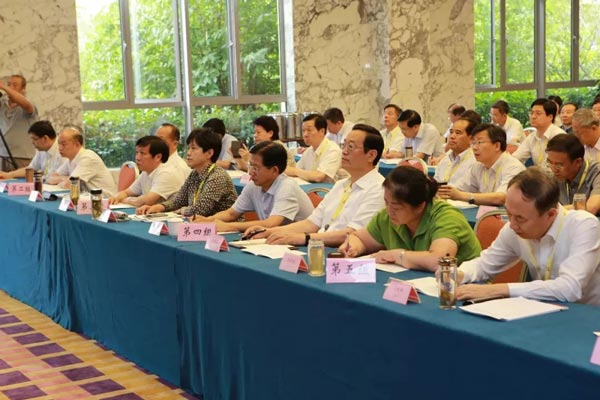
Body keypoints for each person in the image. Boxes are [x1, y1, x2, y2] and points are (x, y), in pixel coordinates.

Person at [456, 167, 600, 306]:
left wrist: (499, 289)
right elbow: (484, 264)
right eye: (509, 213)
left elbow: (570, 288)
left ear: (550, 214)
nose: (512, 225)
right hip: (544, 310)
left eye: (520, 218)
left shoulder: (584, 225)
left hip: (588, 314)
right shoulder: (513, 228)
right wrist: (459, 274)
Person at [247, 124, 385, 247]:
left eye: (351, 147)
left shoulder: (379, 189)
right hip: (319, 245)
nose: (344, 151)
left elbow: (354, 234)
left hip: (344, 254)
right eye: (344, 145)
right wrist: (268, 231)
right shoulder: (340, 185)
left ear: (371, 155)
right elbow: (311, 223)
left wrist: (304, 238)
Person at [340, 166, 481, 271]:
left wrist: (397, 255)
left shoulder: (447, 217)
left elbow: (439, 261)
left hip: (462, 289)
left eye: (396, 207)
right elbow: (359, 238)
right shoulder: (387, 216)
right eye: (386, 202)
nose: (389, 211)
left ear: (420, 206)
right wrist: (353, 248)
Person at [193, 141, 313, 232]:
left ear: (274, 170)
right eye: (250, 166)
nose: (251, 172)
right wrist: (208, 220)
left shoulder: (286, 187)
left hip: (303, 242)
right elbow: (231, 213)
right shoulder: (254, 185)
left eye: (256, 168)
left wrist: (227, 227)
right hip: (277, 238)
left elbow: (271, 224)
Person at [137, 128, 237, 217]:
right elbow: (178, 201)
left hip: (225, 228)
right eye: (188, 148)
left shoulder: (217, 176)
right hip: (201, 225)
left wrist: (182, 210)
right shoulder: (194, 174)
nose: (188, 153)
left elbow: (201, 210)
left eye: (193, 148)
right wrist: (159, 207)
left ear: (209, 153)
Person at [437, 123, 526, 206]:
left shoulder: (513, 167)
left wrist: (462, 196)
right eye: (473, 143)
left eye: (479, 142)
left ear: (497, 146)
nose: (474, 148)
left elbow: (501, 198)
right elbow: (459, 188)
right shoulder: (478, 165)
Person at [108, 136, 185, 207]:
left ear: (158, 157)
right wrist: (115, 197)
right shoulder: (146, 172)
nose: (137, 158)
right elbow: (126, 192)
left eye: (142, 153)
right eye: (137, 152)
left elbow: (146, 201)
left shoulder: (166, 173)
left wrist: (123, 200)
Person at [47, 126, 117, 196]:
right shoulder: (70, 159)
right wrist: (64, 178)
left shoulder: (88, 158)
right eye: (59, 144)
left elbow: (69, 184)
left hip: (104, 200)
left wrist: (65, 180)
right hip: (87, 199)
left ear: (77, 144)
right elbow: (50, 178)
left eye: (64, 144)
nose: (60, 148)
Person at [545, 134, 600, 214]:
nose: (554, 169)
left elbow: (591, 208)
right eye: (550, 162)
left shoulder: (596, 172)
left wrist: (552, 210)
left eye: (559, 165)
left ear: (578, 162)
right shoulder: (553, 177)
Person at [285, 114, 341, 183]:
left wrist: (294, 171)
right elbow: (297, 169)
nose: (305, 134)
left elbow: (319, 176)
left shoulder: (333, 150)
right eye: (303, 130)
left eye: (309, 130)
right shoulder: (309, 151)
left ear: (322, 131)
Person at [0, 120, 65, 180]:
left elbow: (63, 177)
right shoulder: (41, 149)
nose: (32, 142)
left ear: (45, 138)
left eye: (35, 139)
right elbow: (31, 169)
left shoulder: (62, 150)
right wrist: (8, 175)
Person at [513, 98, 566, 167]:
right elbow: (516, 158)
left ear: (550, 117)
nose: (533, 117)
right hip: (539, 173)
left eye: (538, 113)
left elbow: (558, 167)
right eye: (532, 113)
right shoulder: (532, 137)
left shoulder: (558, 136)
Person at [0, 74, 38, 170]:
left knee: (20, 179)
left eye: (15, 85)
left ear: (23, 89)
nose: (10, 87)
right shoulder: (2, 103)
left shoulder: (29, 103)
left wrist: (4, 87)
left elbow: (25, 104)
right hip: (2, 155)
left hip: (22, 157)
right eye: (9, 84)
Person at [433, 117, 477, 186]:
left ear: (471, 138)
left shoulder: (475, 161)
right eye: (451, 132)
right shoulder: (446, 159)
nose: (452, 136)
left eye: (458, 133)